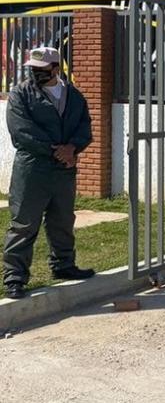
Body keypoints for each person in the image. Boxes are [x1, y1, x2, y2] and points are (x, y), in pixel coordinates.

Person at [3, 47, 94, 300]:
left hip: (64, 171)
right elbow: (22, 132)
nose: (35, 73)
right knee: (24, 223)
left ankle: (64, 266)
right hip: (33, 168)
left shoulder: (74, 96)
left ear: (56, 68)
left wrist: (74, 147)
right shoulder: (21, 93)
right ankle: (15, 278)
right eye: (32, 69)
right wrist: (58, 151)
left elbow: (85, 127)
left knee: (62, 220)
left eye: (41, 70)